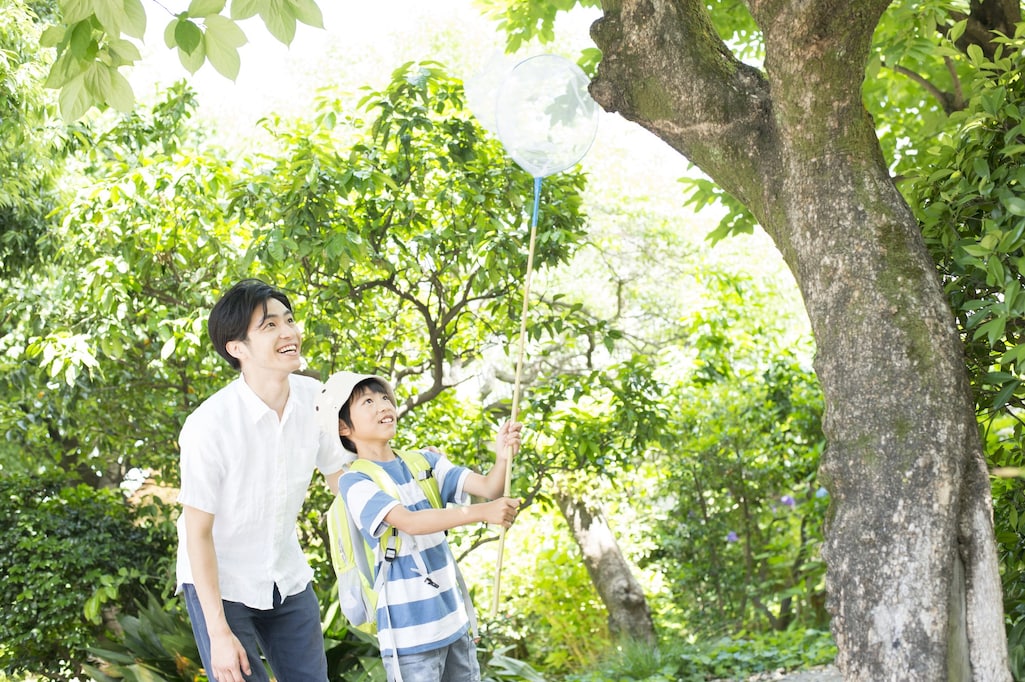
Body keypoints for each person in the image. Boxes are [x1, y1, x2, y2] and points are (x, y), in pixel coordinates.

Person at [175, 279, 349, 682]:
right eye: (270, 326)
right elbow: (197, 533)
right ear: (237, 348)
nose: (289, 332)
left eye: (288, 320)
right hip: (221, 583)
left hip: (285, 575)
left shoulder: (315, 398)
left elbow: (342, 478)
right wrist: (218, 632)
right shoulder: (208, 425)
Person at [313, 371, 522, 682]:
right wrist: (482, 513)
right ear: (344, 427)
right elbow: (409, 523)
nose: (382, 405)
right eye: (367, 401)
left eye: (384, 398)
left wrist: (503, 456)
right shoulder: (355, 482)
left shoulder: (424, 462)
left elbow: (490, 487)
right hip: (408, 637)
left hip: (455, 621)